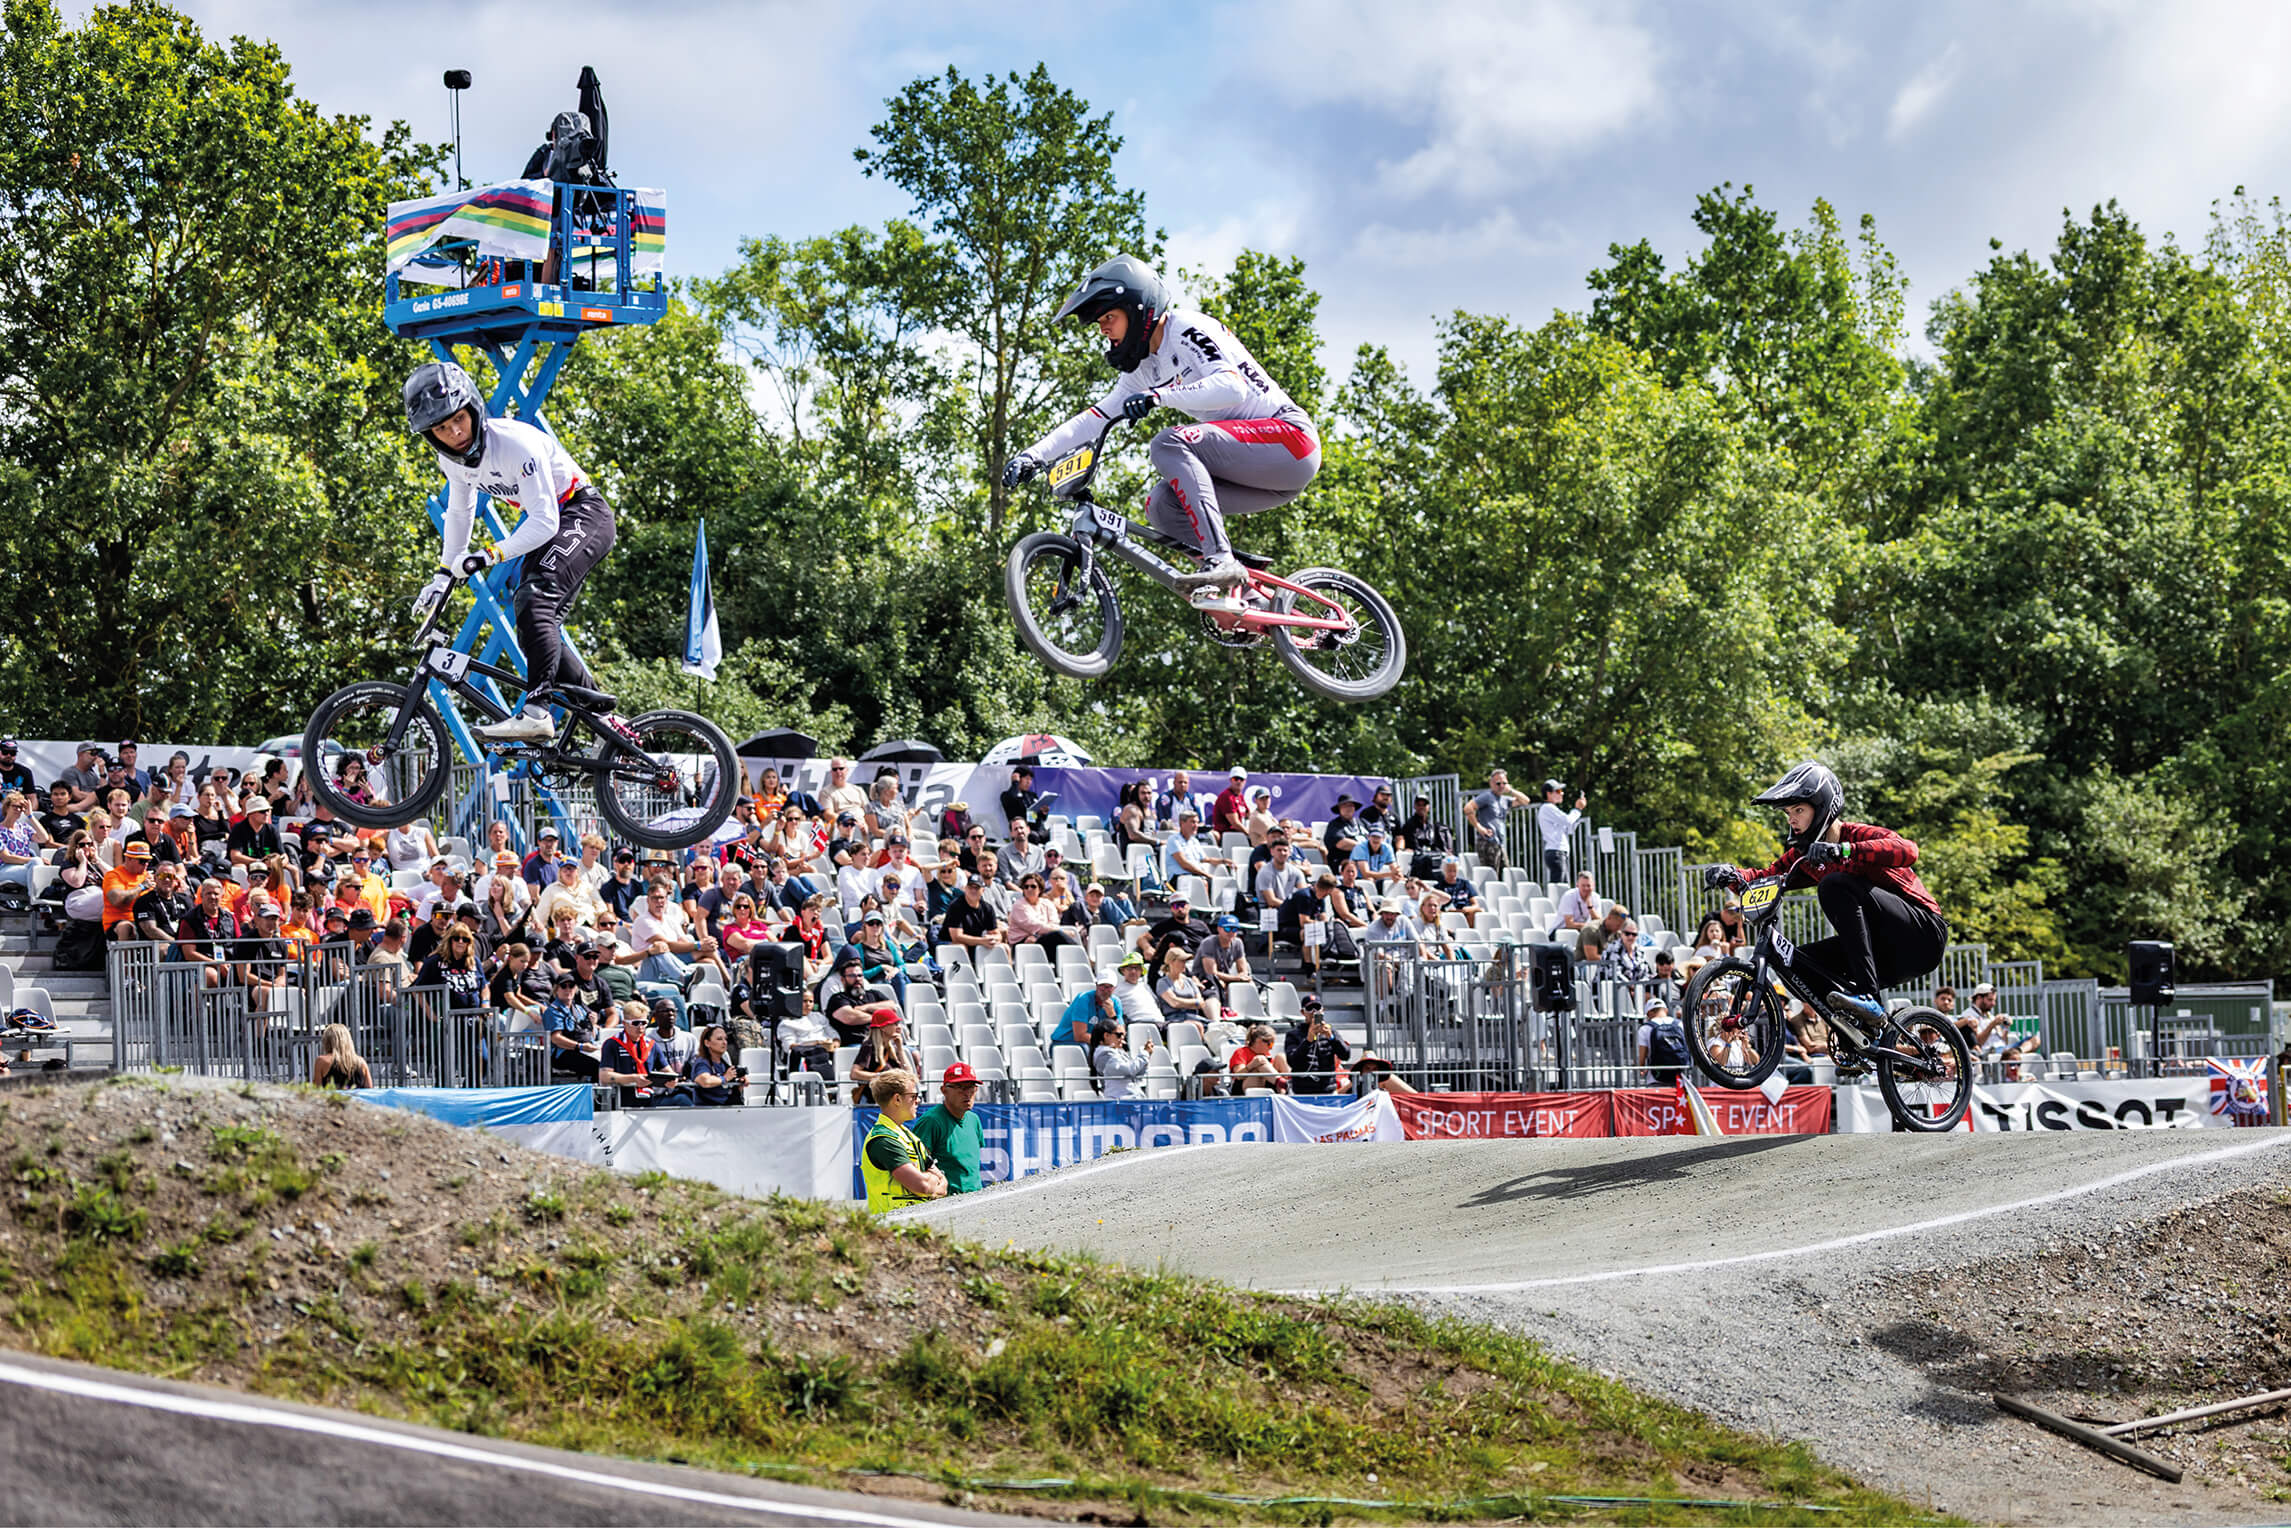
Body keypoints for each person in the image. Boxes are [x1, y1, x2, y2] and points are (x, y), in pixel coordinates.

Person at [1005, 255, 1320, 610]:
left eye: (1109, 317)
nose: (1103, 329)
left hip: (1290, 440)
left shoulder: (1184, 328)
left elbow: (1233, 388)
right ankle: (1248, 599)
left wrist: (1160, 397)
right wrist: (1033, 455)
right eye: (1099, 323)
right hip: (1260, 473)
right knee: (1162, 505)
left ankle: (1222, 559)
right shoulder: (1143, 369)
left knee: (1168, 442)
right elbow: (1092, 419)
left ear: (1138, 308)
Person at [404, 359, 641, 748]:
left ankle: (537, 713)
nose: (455, 433)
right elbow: (460, 511)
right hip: (550, 523)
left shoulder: (515, 443)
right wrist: (444, 573)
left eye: (459, 419)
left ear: (473, 409)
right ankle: (604, 722)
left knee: (534, 600)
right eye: (441, 429)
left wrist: (486, 555)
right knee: (532, 620)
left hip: (581, 512)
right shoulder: (451, 459)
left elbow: (546, 522)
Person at [1702, 761, 1949, 1045]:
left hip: (1921, 934)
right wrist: (1731, 875)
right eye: (1787, 813)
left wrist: (1843, 851)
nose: (1791, 820)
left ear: (1821, 809)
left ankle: (1870, 997)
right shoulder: (1805, 856)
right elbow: (1765, 876)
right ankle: (1857, 1032)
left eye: (1798, 811)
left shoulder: (1853, 836)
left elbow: (1908, 850)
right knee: (1797, 965)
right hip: (1881, 953)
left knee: (1834, 884)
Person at [861, 1070, 946, 1212]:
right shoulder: (883, 1140)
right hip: (892, 1226)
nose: (918, 1100)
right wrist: (931, 1180)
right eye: (913, 1096)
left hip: (916, 1221)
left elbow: (943, 1184)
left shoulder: (909, 1136)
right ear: (897, 1099)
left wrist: (930, 1183)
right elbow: (923, 1186)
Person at [598, 1003, 692, 1109]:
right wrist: (633, 1078)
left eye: (644, 1023)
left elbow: (668, 1071)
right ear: (624, 1023)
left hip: (648, 1101)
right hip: (620, 1102)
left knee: (682, 1099)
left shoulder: (651, 1045)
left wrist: (671, 1079)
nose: (641, 1027)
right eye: (636, 1023)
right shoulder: (612, 1044)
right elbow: (604, 1076)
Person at [909, 1063, 984, 1194]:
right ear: (944, 1090)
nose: (967, 1093)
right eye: (960, 1087)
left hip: (977, 1197)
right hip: (946, 1202)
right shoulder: (931, 1121)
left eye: (971, 1087)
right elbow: (915, 1165)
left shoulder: (974, 1120)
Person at [1284, 996, 1352, 1095]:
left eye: (1317, 1008)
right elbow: (1293, 1061)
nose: (1314, 1012)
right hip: (1302, 1092)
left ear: (1323, 1011)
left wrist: (1331, 1038)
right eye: (1309, 1009)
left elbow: (1345, 1055)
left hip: (1328, 1091)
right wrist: (1308, 1040)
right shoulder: (1293, 1034)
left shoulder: (1331, 1032)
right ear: (1303, 1012)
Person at [1469, 769, 1531, 875]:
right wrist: (1479, 827)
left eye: (1504, 783)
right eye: (1498, 783)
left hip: (1499, 844)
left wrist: (1511, 791)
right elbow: (1468, 808)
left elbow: (1526, 801)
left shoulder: (1505, 800)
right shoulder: (1487, 796)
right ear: (1491, 783)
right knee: (1491, 876)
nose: (1501, 786)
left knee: (1505, 874)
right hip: (1487, 842)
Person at [1534, 780, 1587, 885]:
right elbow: (1568, 820)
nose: (1561, 793)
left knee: (1563, 885)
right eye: (1557, 791)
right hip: (1556, 851)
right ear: (1548, 794)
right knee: (1559, 886)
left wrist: (1577, 812)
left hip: (1558, 851)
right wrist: (1577, 809)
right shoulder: (1547, 808)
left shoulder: (1552, 809)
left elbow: (1569, 828)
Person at [683, 1023, 746, 1106]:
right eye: (719, 1039)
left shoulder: (724, 1061)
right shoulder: (702, 1062)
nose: (724, 1042)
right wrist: (725, 1078)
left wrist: (739, 1083)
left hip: (727, 1108)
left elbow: (727, 1088)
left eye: (725, 1039)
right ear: (707, 1043)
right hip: (708, 1111)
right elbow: (705, 1081)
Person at [1090, 1015, 1152, 1099]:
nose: (1122, 1038)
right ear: (1106, 1035)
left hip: (1130, 1099)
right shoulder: (1104, 1055)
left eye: (1124, 1035)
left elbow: (1137, 1074)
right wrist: (1144, 1053)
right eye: (1119, 1035)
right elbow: (1129, 1069)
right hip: (1118, 1101)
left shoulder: (1117, 1051)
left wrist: (1147, 1056)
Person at [1637, 997, 1690, 1086]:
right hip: (1681, 1076)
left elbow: (1641, 1058)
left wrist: (1642, 1069)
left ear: (1649, 1013)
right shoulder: (1680, 1025)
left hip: (1656, 1078)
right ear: (1666, 1010)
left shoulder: (1645, 1028)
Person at [310, 1023, 373, 1090]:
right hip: (356, 1100)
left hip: (333, 1100)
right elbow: (369, 1090)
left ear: (327, 1041)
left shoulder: (322, 1061)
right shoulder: (361, 1062)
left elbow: (317, 1090)